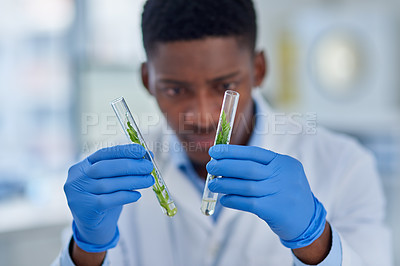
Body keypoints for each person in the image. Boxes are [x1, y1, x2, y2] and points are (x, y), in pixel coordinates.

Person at [53, 0, 392, 265]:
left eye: (225, 86)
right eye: (175, 89)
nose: (201, 116)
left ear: (258, 70)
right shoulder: (107, 177)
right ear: (147, 80)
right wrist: (86, 247)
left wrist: (314, 239)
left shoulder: (345, 165)